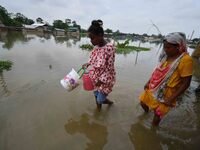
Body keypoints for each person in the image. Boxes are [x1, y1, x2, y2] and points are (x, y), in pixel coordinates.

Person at [139, 32, 193, 126]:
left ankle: (153, 131)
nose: (165, 50)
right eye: (164, 47)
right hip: (155, 86)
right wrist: (148, 82)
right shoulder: (165, 56)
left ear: (178, 46)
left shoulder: (185, 60)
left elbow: (186, 83)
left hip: (168, 92)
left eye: (168, 47)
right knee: (143, 102)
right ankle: (146, 114)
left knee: (157, 115)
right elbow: (158, 71)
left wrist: (171, 99)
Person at [82, 20, 116, 111]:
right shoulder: (96, 47)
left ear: (100, 35)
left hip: (105, 79)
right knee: (96, 94)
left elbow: (109, 68)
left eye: (92, 38)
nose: (91, 41)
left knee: (100, 99)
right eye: (90, 38)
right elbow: (93, 58)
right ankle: (98, 110)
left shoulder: (109, 48)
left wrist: (101, 81)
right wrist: (87, 63)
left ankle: (109, 103)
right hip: (96, 76)